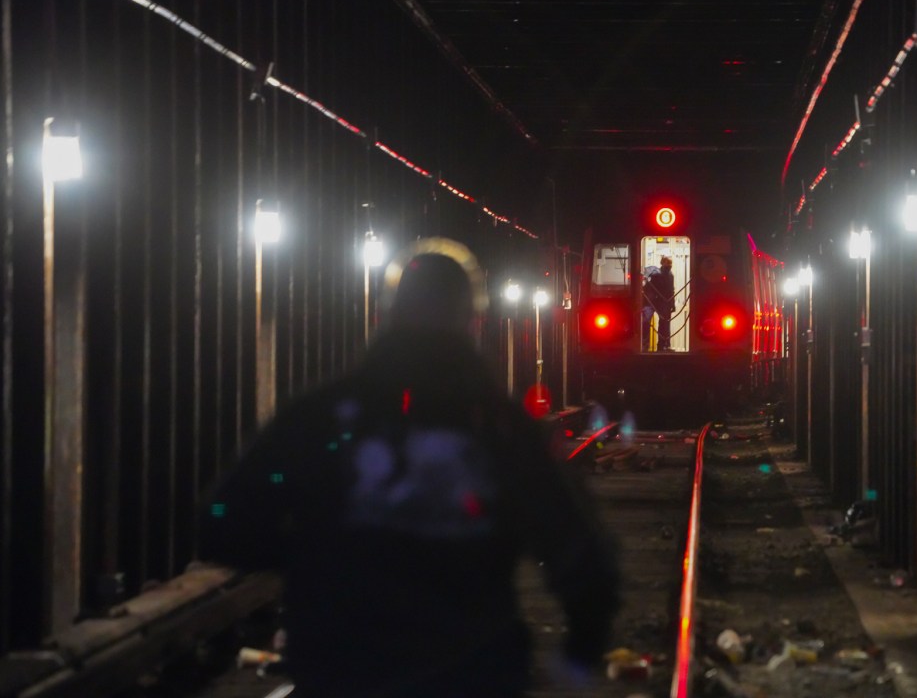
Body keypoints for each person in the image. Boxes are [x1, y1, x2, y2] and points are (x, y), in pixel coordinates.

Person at [196, 238, 620, 698]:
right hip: (472, 665)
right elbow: (574, 542)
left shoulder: (322, 415)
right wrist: (582, 643)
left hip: (342, 660)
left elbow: (222, 521)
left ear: (385, 315)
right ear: (471, 322)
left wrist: (310, 557)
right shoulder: (502, 428)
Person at [645, 255, 676, 351]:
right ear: (662, 263)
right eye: (668, 263)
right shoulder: (655, 274)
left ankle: (663, 345)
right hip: (653, 301)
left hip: (663, 302)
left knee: (665, 325)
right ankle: (646, 345)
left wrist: (672, 303)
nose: (670, 265)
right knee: (646, 323)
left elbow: (671, 290)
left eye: (670, 263)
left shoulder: (670, 275)